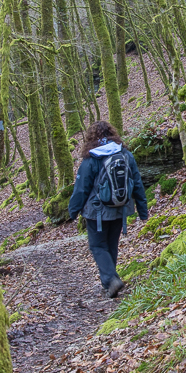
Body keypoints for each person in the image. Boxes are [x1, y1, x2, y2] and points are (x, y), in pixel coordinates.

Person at [67, 120, 148, 297]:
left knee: (97, 245)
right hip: (120, 208)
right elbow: (137, 183)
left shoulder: (91, 159)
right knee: (111, 244)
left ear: (91, 137)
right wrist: (143, 210)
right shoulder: (125, 154)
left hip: (96, 212)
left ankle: (111, 280)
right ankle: (112, 280)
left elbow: (81, 189)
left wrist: (72, 211)